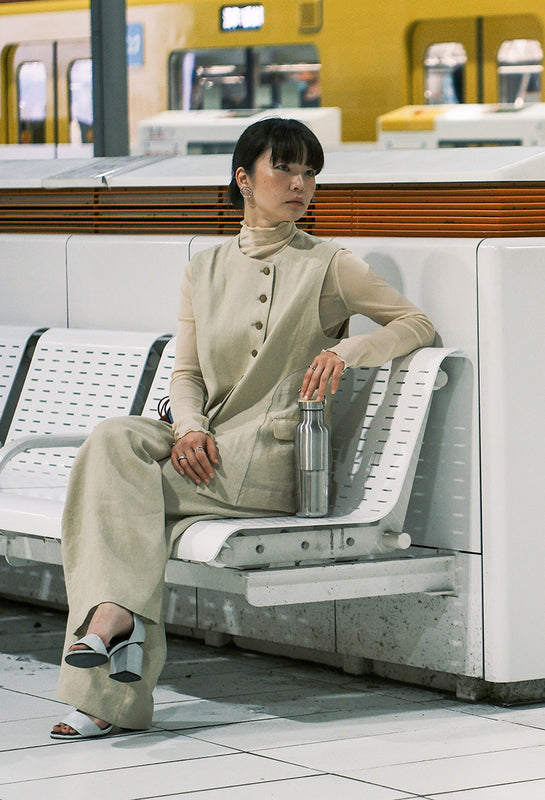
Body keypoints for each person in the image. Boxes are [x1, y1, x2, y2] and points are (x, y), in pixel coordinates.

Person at [51, 118, 435, 740]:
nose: (299, 183)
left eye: (310, 172)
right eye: (283, 168)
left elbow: (416, 324)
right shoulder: (203, 268)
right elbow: (187, 373)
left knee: (117, 505)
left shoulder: (331, 265)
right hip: (206, 444)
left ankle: (107, 670)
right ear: (243, 179)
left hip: (267, 459)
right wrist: (189, 429)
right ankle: (115, 623)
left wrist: (349, 351)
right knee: (111, 439)